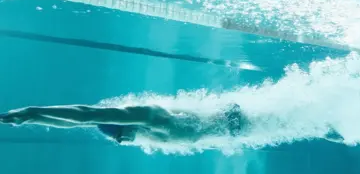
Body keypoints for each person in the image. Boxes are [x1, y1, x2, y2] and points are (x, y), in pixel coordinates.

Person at [0, 103, 247, 144]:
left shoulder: (152, 117)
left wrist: (33, 110)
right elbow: (76, 124)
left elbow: (86, 115)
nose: (125, 141)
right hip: (234, 127)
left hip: (237, 118)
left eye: (120, 136)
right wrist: (33, 119)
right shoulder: (149, 132)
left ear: (124, 125)